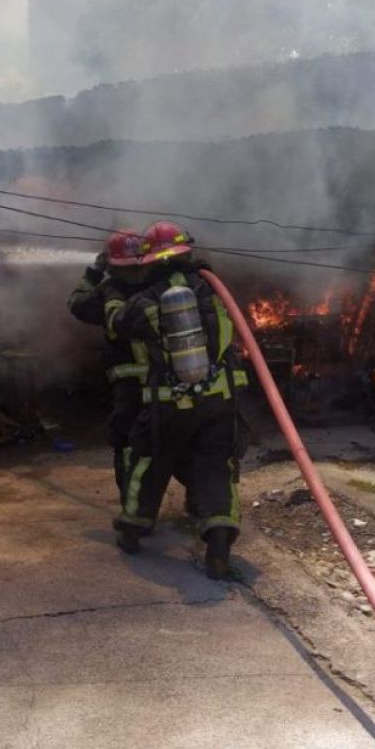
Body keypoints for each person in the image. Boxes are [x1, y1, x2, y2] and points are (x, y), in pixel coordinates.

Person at [108, 220, 249, 577]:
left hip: (169, 402)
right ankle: (219, 543)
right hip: (218, 398)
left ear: (150, 262)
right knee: (216, 466)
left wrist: (111, 297)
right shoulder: (214, 291)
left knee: (148, 459)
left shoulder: (147, 300)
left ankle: (132, 529)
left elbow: (118, 324)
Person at [68, 229, 148, 495]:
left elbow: (76, 303)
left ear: (111, 263)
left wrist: (93, 272)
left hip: (130, 387)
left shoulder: (107, 291)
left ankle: (135, 507)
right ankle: (198, 504)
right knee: (178, 439)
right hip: (169, 382)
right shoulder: (163, 287)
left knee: (127, 444)